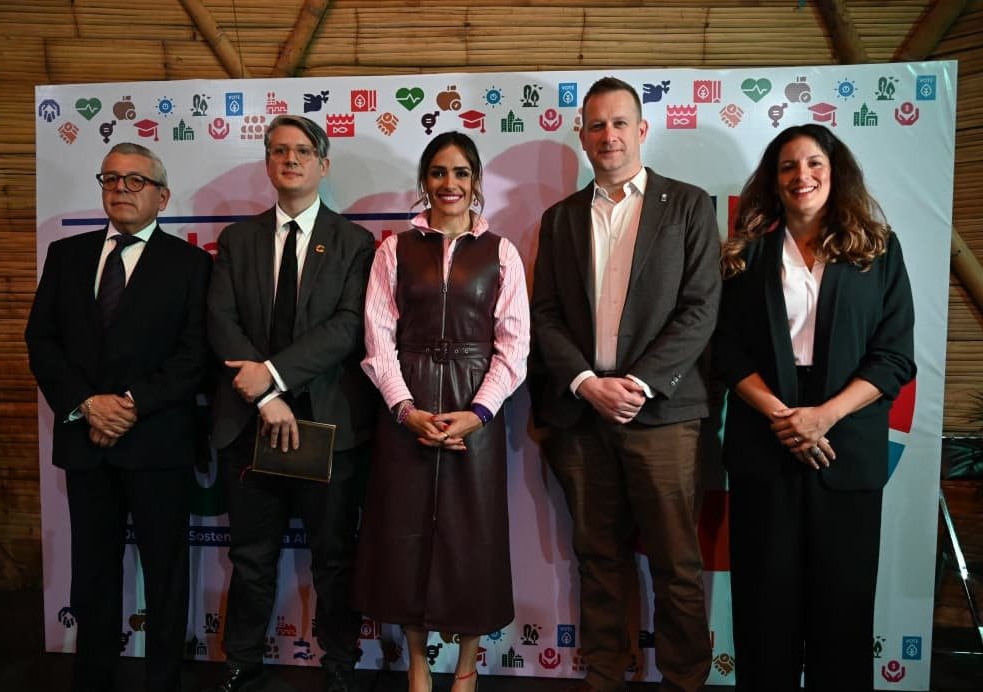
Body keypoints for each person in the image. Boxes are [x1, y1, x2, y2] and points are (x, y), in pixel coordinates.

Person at [529, 77, 719, 692]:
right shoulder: (559, 219)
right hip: (582, 416)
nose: (608, 135)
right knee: (597, 558)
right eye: (596, 125)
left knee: (677, 564)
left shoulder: (688, 205)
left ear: (642, 130)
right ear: (581, 135)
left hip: (662, 414)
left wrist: (637, 383)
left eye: (619, 123)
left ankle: (684, 679)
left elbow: (701, 309)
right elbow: (545, 315)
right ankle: (605, 674)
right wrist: (586, 382)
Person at [713, 124, 915, 691]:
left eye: (813, 164)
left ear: (834, 172)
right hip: (765, 438)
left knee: (842, 612)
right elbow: (727, 350)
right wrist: (783, 416)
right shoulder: (746, 253)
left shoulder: (877, 249)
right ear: (773, 181)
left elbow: (894, 356)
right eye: (788, 166)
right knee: (764, 609)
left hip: (846, 442)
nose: (801, 175)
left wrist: (824, 416)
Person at [25, 142, 212, 692]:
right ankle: (92, 677)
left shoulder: (191, 264)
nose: (121, 189)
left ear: (163, 197)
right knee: (93, 573)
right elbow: (42, 342)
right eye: (111, 179)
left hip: (157, 442)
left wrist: (130, 405)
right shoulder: (67, 255)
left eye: (135, 181)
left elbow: (195, 355)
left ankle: (164, 681)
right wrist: (89, 404)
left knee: (166, 574)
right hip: (86, 441)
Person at [351, 131, 530, 692]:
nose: (449, 183)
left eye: (460, 172)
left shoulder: (501, 252)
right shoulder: (393, 250)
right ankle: (417, 663)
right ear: (424, 181)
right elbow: (378, 339)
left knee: (473, 535)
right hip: (407, 405)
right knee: (403, 536)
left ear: (476, 182)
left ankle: (468, 665)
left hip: (476, 406)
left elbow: (514, 346)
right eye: (438, 172)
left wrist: (479, 411)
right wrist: (404, 409)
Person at [206, 115, 376, 692]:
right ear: (268, 163)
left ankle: (340, 664)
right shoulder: (238, 240)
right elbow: (220, 320)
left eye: (303, 151)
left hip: (326, 423)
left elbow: (348, 326)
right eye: (279, 150)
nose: (291, 159)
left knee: (334, 558)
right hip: (251, 423)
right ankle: (242, 660)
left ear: (323, 164)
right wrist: (264, 397)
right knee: (251, 557)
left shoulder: (354, 242)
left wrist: (273, 376)